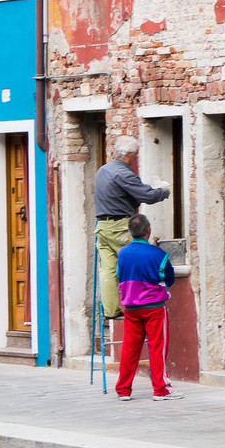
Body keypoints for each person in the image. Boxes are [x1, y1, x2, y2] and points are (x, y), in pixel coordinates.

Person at [94, 136, 169, 321]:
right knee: (139, 261)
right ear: (128, 154)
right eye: (134, 155)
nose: (135, 158)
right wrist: (163, 191)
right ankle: (141, 305)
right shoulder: (123, 174)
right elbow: (148, 196)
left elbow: (124, 196)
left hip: (102, 226)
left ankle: (111, 310)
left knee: (108, 269)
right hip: (120, 226)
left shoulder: (103, 171)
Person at [114, 214, 181, 402]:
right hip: (154, 307)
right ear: (148, 230)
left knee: (129, 348)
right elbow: (169, 279)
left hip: (131, 307)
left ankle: (123, 390)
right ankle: (160, 389)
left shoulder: (122, 254)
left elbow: (119, 276)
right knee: (157, 347)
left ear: (131, 231)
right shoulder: (159, 254)